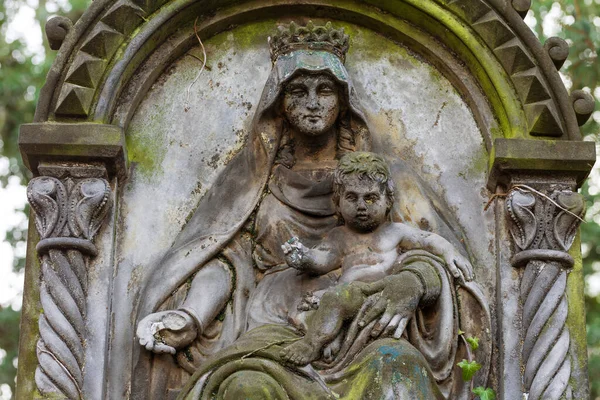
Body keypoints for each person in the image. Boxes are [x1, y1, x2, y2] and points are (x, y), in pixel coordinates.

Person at [128, 22, 490, 400]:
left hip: (364, 328)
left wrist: (412, 283)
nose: (313, 102)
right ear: (278, 102)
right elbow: (222, 261)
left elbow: (429, 250)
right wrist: (190, 316)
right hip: (277, 324)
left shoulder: (386, 177)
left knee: (399, 370)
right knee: (245, 388)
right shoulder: (251, 180)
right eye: (298, 91)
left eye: (326, 90)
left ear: (343, 99)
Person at [279, 151, 472, 366]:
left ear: (388, 200)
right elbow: (323, 260)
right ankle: (312, 344)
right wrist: (304, 257)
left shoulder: (394, 232)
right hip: (349, 294)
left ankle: (331, 340)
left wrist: (449, 250)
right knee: (333, 300)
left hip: (382, 293)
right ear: (338, 201)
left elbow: (425, 239)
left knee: (336, 300)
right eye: (352, 197)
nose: (361, 206)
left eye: (370, 198)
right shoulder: (339, 236)